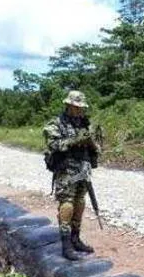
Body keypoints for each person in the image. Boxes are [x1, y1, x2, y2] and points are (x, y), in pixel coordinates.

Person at [43, 90, 101, 260]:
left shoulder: (85, 123)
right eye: (76, 107)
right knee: (67, 205)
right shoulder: (56, 124)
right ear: (68, 105)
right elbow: (54, 144)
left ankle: (76, 239)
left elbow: (97, 148)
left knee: (80, 203)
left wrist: (90, 142)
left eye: (81, 108)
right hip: (65, 170)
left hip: (83, 168)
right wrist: (74, 140)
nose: (79, 110)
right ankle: (66, 246)